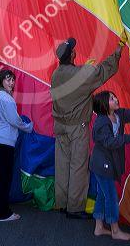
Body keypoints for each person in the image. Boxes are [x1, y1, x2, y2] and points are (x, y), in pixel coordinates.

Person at [51, 35, 126, 219]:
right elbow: (103, 71)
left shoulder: (56, 75)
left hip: (60, 127)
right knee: (78, 166)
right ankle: (74, 208)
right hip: (77, 128)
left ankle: (61, 203)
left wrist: (84, 69)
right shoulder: (81, 74)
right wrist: (118, 50)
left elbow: (74, 81)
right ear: (72, 55)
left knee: (62, 165)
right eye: (74, 49)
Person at [90, 91, 130, 240]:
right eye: (112, 98)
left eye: (115, 97)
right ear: (105, 105)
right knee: (111, 196)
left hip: (108, 163)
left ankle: (99, 227)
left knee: (102, 194)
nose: (116, 99)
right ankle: (115, 230)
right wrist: (129, 138)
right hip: (102, 165)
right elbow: (109, 142)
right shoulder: (101, 122)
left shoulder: (118, 115)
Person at [0, 69, 33, 222]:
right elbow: (15, 121)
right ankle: (3, 213)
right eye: (8, 79)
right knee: (4, 178)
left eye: (12, 80)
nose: (11, 83)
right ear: (0, 81)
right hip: (4, 142)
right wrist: (28, 127)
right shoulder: (7, 99)